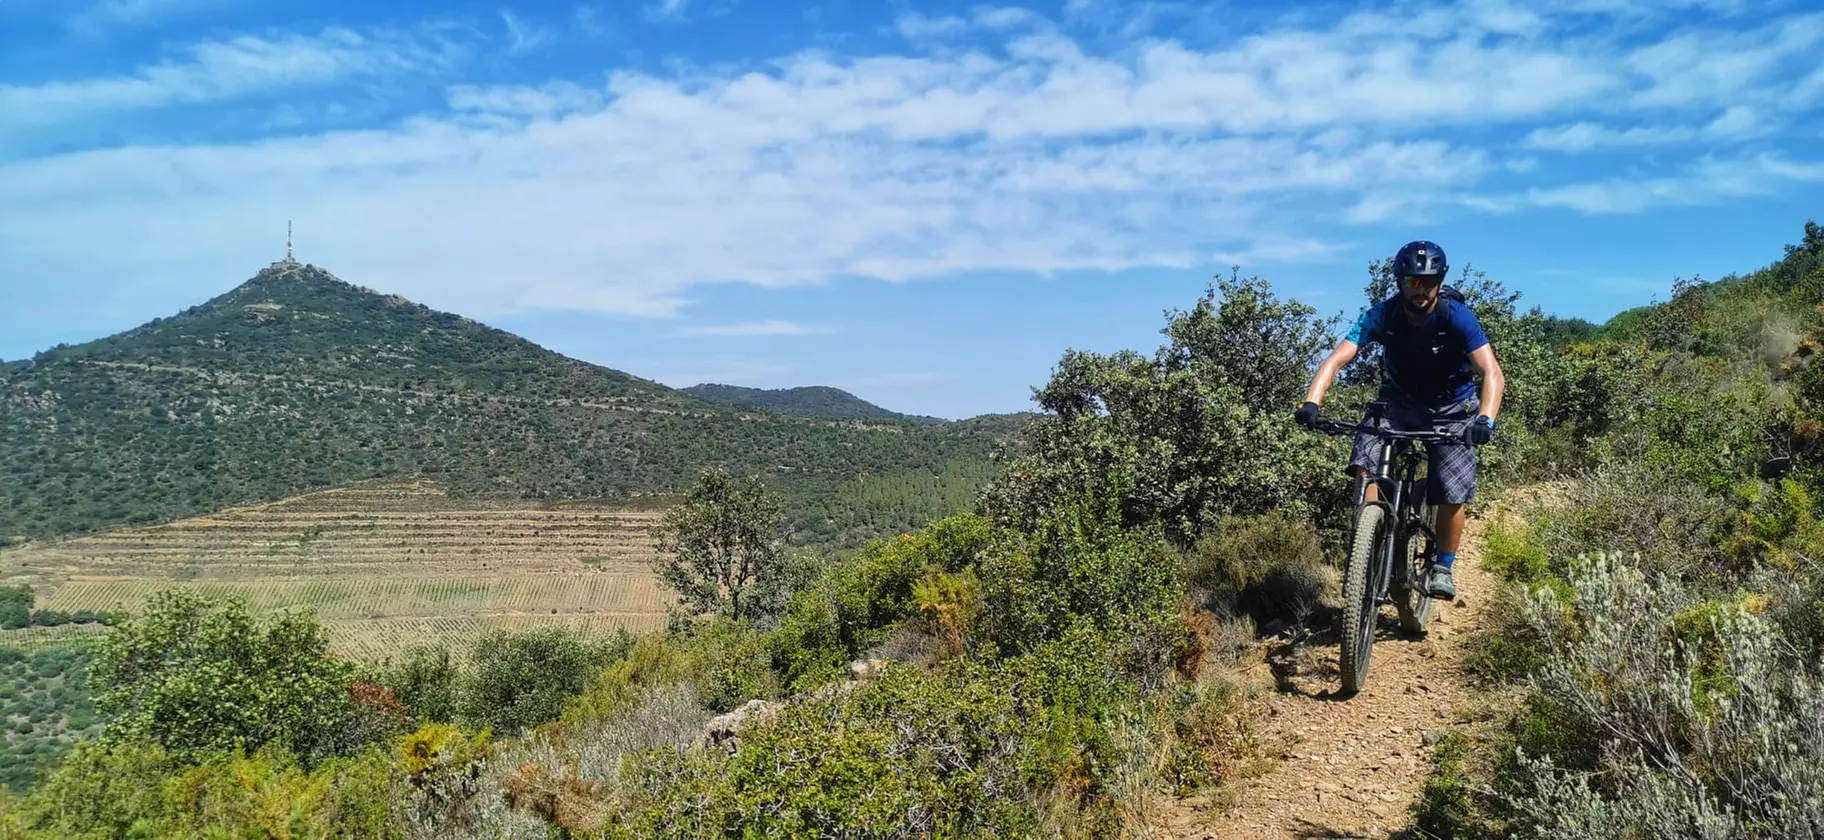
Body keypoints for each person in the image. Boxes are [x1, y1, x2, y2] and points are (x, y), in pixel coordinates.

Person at [1292, 240, 1506, 601]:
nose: (1419, 289)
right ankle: (1369, 538)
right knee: (1366, 458)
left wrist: (1485, 419)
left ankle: (1443, 566)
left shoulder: (1457, 317)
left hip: (1450, 408)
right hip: (1398, 402)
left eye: (1428, 281)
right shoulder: (1383, 315)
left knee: (1452, 488)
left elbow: (1492, 373)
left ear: (1440, 282)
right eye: (1411, 282)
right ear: (1399, 282)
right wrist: (1312, 402)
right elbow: (1335, 360)